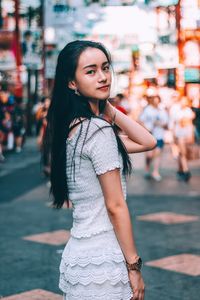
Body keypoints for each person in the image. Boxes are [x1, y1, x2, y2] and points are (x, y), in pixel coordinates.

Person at [43, 40, 156, 300]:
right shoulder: (97, 132)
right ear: (72, 82)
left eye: (105, 68)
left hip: (81, 258)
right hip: (104, 262)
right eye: (90, 71)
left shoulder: (75, 129)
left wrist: (107, 108)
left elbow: (147, 142)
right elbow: (115, 205)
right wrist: (134, 267)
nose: (103, 77)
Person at [140, 95, 168, 181]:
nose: (155, 102)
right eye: (154, 100)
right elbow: (141, 120)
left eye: (157, 101)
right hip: (149, 136)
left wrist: (159, 123)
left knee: (157, 154)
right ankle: (147, 168)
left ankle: (155, 172)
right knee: (149, 155)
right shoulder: (147, 110)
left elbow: (166, 124)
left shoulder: (162, 111)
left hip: (159, 136)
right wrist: (146, 128)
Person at [173, 96, 195, 181]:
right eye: (182, 101)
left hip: (188, 134)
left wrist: (192, 135)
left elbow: (190, 125)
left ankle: (180, 170)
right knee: (183, 153)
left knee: (182, 153)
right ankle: (186, 171)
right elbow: (176, 124)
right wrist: (173, 135)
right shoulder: (177, 111)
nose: (183, 103)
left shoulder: (189, 111)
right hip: (180, 135)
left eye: (185, 101)